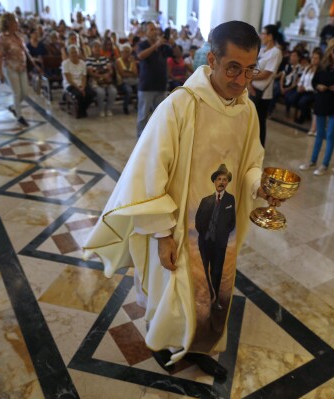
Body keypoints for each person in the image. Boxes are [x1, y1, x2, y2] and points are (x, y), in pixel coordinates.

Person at [83, 20, 277, 379]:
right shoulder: (180, 106)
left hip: (221, 225)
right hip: (177, 226)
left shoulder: (246, 109)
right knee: (173, 294)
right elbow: (150, 173)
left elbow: (250, 161)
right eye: (233, 67)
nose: (241, 79)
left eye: (250, 69)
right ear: (212, 60)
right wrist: (160, 235)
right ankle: (166, 345)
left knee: (214, 291)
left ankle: (197, 345)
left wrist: (258, 185)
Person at [300, 37, 334, 176]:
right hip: (322, 102)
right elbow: (314, 82)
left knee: (330, 135)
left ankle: (325, 164)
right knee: (319, 134)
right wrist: (318, 86)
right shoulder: (323, 66)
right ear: (330, 51)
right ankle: (312, 161)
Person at [195, 164, 236, 311]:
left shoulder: (230, 200)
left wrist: (222, 233)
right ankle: (207, 297)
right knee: (204, 270)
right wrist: (205, 233)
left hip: (220, 243)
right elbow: (198, 220)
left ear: (227, 182)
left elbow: (233, 222)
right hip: (205, 242)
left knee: (217, 271)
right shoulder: (206, 200)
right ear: (214, 182)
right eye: (219, 179)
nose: (221, 182)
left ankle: (216, 299)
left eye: (224, 179)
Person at [0, 12, 35, 127]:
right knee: (17, 93)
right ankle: (19, 116)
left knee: (25, 93)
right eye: (15, 22)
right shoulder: (2, 37)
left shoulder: (18, 35)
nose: (17, 24)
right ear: (9, 23)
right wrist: (0, 72)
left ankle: (14, 107)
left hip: (22, 67)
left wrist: (32, 61)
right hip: (10, 67)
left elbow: (25, 50)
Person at [136, 21, 172, 136]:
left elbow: (176, 55)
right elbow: (141, 56)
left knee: (160, 115)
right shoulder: (142, 44)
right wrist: (156, 45)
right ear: (145, 32)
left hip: (161, 84)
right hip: (147, 86)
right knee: (143, 116)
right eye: (152, 29)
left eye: (156, 29)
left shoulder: (163, 46)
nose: (155, 31)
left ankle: (157, 139)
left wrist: (172, 43)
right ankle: (140, 143)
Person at [248, 24, 282, 146]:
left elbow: (266, 74)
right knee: (249, 121)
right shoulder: (262, 50)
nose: (261, 36)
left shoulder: (276, 52)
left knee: (259, 122)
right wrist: (249, 83)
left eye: (264, 33)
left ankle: (259, 148)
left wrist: (248, 77)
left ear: (270, 36)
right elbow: (252, 68)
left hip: (262, 93)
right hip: (251, 88)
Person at [62, 45, 94, 118]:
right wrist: (78, 88)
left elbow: (84, 76)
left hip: (81, 84)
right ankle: (80, 111)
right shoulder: (65, 63)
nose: (74, 54)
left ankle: (82, 109)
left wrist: (82, 87)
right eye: (72, 53)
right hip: (70, 85)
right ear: (69, 54)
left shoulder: (82, 63)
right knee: (78, 95)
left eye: (75, 52)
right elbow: (68, 78)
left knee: (91, 94)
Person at [86, 40, 117, 117]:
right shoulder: (88, 60)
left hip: (106, 80)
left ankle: (108, 109)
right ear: (92, 49)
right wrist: (102, 76)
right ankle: (101, 110)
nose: (97, 49)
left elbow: (110, 70)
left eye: (99, 47)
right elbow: (90, 72)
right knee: (101, 92)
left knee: (113, 91)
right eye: (95, 47)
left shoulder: (105, 58)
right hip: (95, 81)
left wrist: (107, 74)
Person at [292, 48, 321, 126]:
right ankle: (307, 113)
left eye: (316, 58)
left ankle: (302, 117)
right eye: (312, 58)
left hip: (313, 92)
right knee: (293, 98)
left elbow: (316, 85)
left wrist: (306, 88)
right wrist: (299, 86)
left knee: (302, 102)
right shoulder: (308, 68)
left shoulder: (320, 71)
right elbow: (302, 79)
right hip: (303, 89)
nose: (313, 60)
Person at [115, 43, 138, 114]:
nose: (127, 53)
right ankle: (125, 107)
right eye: (125, 52)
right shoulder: (118, 61)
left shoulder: (132, 60)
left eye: (128, 52)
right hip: (122, 82)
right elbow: (122, 74)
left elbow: (136, 73)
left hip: (133, 81)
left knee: (141, 87)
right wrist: (131, 74)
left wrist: (129, 72)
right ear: (122, 52)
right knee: (128, 90)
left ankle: (137, 105)